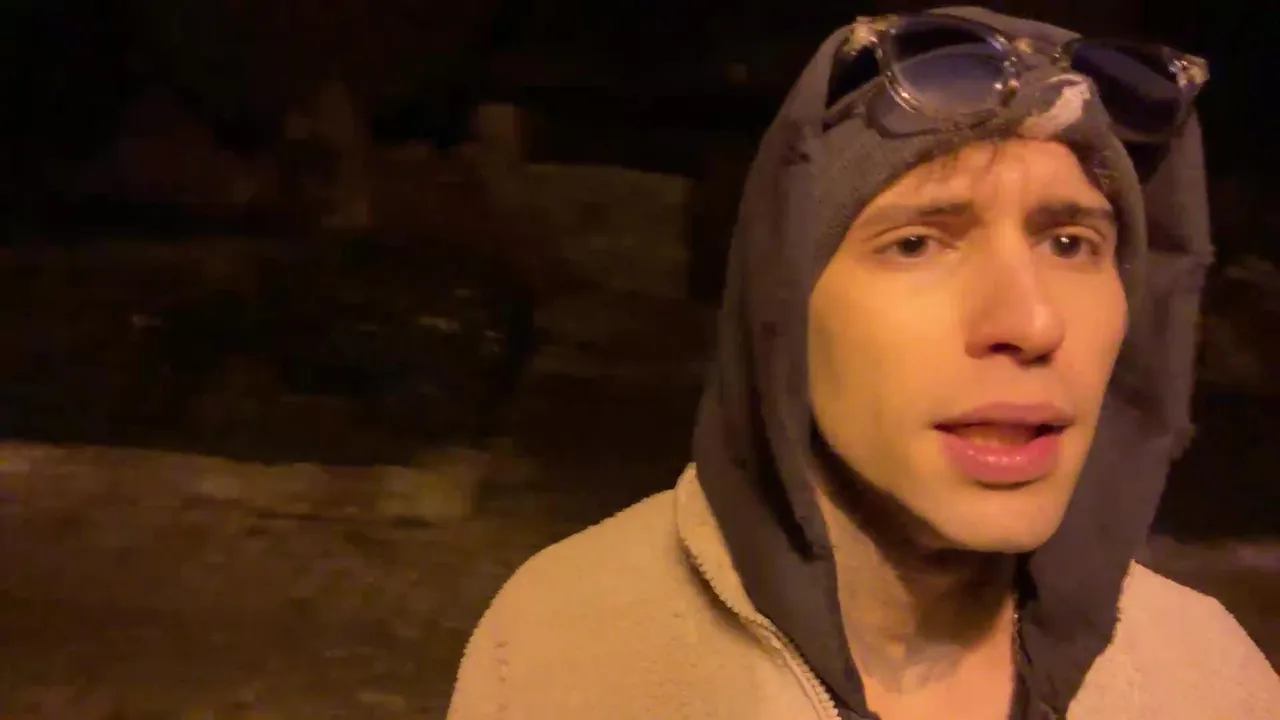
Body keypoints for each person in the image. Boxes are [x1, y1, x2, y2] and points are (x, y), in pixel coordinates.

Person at [447, 7, 1280, 719]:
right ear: (784, 308)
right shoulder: (573, 654)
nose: (1030, 322)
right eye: (916, 243)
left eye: (1070, 243)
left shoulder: (1205, 678)